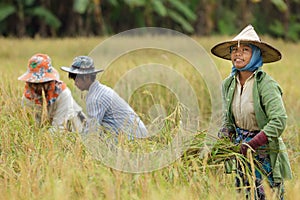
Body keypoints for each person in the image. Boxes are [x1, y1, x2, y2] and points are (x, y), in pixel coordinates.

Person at [211, 25, 292, 199]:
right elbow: (229, 121)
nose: (237, 54)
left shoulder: (265, 85)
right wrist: (220, 142)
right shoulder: (229, 84)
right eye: (234, 50)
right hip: (241, 152)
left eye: (245, 50)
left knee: (265, 194)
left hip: (263, 152)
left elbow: (279, 120)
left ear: (255, 55)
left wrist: (253, 144)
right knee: (244, 193)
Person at [60, 56, 148, 139]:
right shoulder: (101, 90)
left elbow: (91, 130)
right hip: (136, 133)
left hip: (133, 137)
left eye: (76, 79)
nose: (75, 83)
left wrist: (76, 144)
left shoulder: (95, 98)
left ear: (87, 77)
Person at [18, 53, 86, 133]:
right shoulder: (27, 98)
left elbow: (59, 127)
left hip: (74, 130)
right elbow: (31, 126)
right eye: (34, 83)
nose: (37, 87)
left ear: (50, 81)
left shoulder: (63, 94)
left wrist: (42, 140)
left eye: (42, 83)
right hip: (47, 134)